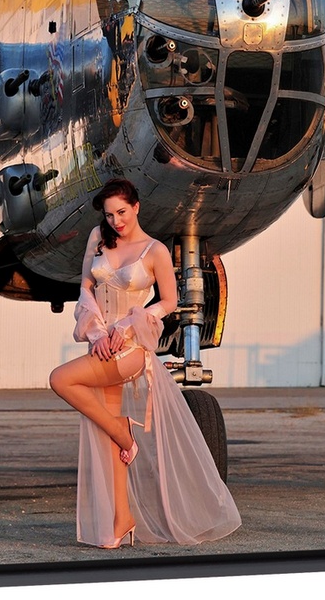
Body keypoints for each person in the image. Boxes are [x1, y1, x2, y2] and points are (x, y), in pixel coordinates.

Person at [49, 177, 241, 548]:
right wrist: (97, 334)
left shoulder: (155, 251)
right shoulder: (98, 238)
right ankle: (122, 519)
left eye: (121, 212)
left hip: (131, 348)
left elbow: (168, 301)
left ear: (136, 207)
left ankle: (125, 433)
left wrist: (126, 326)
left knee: (61, 379)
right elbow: (86, 288)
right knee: (106, 436)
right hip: (101, 344)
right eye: (109, 214)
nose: (116, 220)